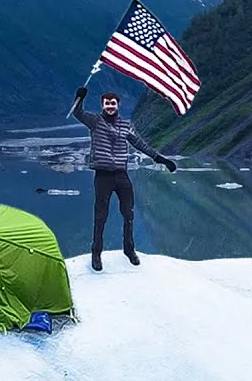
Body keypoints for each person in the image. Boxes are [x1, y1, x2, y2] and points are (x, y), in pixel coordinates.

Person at [72, 86, 176, 271]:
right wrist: (79, 97)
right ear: (102, 105)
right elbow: (78, 114)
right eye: (107, 103)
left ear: (118, 105)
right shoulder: (95, 121)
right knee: (100, 215)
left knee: (128, 213)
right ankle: (96, 253)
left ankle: (129, 249)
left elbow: (139, 143)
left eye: (113, 103)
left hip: (121, 175)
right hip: (103, 175)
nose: (110, 106)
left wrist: (160, 158)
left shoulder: (125, 125)